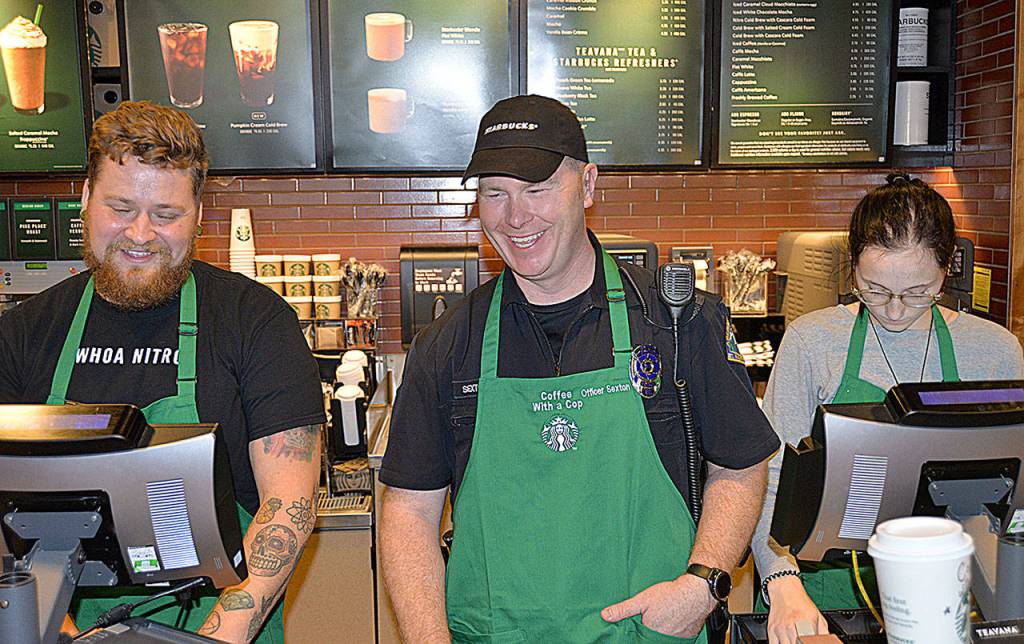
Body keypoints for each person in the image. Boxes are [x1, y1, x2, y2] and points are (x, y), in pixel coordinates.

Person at [378, 94, 780, 643]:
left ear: (588, 186)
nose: (516, 217)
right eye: (495, 193)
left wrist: (703, 582)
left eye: (538, 189)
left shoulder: (680, 322)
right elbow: (408, 511)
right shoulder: (446, 345)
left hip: (647, 634)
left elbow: (740, 466)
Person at [0, 101, 326, 643]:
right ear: (84, 199)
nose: (141, 233)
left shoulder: (255, 320)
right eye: (121, 207)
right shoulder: (27, 331)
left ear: (199, 213)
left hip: (219, 624)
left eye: (167, 215)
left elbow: (289, 505)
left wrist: (216, 638)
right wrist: (61, 630)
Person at [752, 174, 1024, 644]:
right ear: (852, 265)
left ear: (947, 268)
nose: (895, 311)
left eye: (918, 291)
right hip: (819, 587)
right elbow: (766, 477)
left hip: (952, 586)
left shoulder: (996, 351)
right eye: (873, 289)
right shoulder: (812, 342)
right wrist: (780, 582)